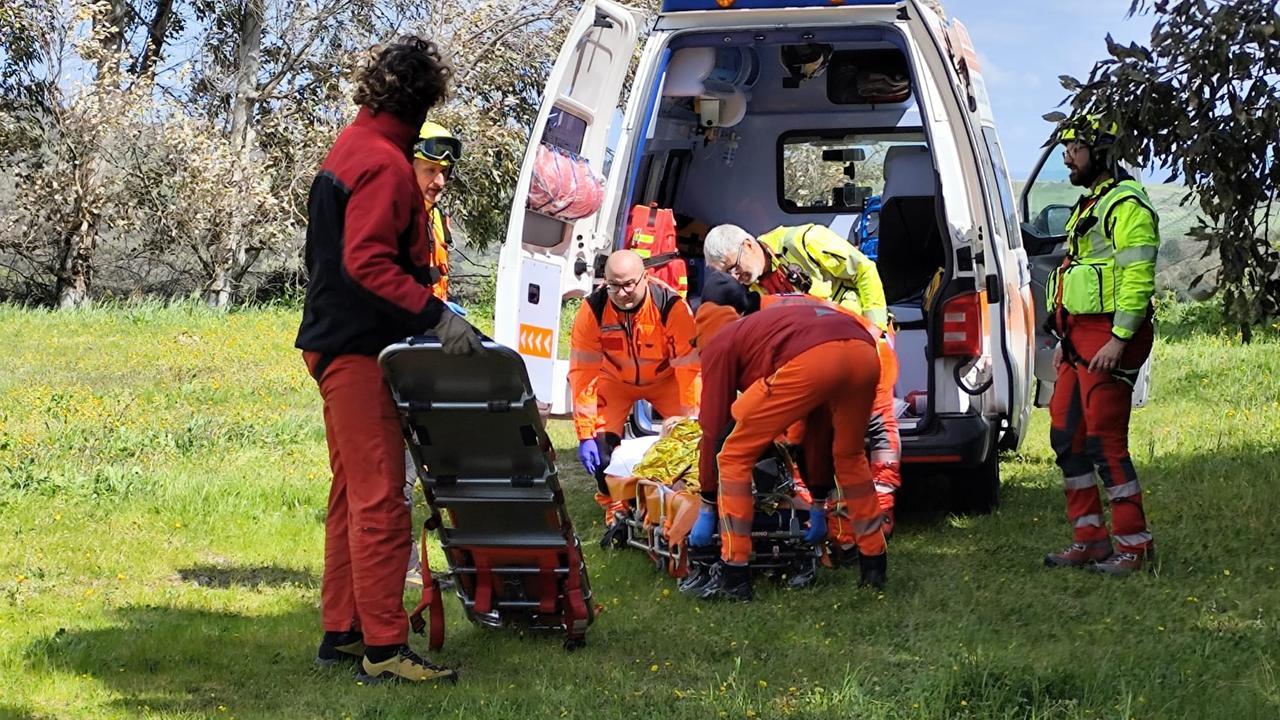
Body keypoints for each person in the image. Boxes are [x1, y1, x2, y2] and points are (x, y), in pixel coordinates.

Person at [296, 36, 479, 684]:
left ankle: (342, 629)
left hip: (333, 342)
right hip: (359, 351)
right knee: (380, 498)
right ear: (422, 99)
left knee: (351, 493)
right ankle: (382, 647)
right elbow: (367, 261)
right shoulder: (382, 161)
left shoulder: (351, 145)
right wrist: (437, 317)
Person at [702, 221, 903, 536]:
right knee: (803, 432)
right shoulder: (749, 290)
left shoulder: (806, 240)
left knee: (876, 424)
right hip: (814, 360)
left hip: (863, 339)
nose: (737, 278)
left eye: (735, 268)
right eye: (729, 276)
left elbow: (864, 270)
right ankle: (823, 517)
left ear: (749, 245)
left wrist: (875, 328)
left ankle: (881, 512)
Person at [687, 301, 887, 601]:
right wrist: (818, 502)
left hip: (814, 358)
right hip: (865, 352)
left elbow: (714, 428)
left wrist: (706, 502)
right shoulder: (765, 330)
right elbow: (817, 430)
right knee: (850, 454)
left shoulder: (718, 344)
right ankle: (874, 564)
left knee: (732, 456)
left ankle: (735, 573)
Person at [1042, 115, 1160, 576]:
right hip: (1078, 338)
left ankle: (1135, 547)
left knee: (1104, 441)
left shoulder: (1127, 204)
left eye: (1074, 148)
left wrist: (1118, 338)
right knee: (1065, 437)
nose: (1067, 156)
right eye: (1065, 148)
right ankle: (1089, 540)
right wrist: (1064, 337)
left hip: (1109, 336)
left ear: (1102, 151)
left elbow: (1137, 276)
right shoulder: (1091, 203)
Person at [569, 250, 700, 528]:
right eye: (614, 285)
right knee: (601, 449)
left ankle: (688, 500)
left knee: (691, 441)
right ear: (605, 282)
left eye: (630, 283)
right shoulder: (592, 309)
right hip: (615, 381)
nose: (623, 292)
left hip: (667, 380)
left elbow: (690, 369)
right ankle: (615, 505)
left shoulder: (670, 305)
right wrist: (584, 434)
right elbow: (583, 375)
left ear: (645, 277)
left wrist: (693, 417)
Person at [404, 119, 463, 589]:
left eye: (444, 172)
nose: (439, 181)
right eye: (429, 169)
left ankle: (424, 562)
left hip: (430, 351)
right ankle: (400, 567)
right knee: (398, 471)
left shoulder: (434, 216)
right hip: (400, 356)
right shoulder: (393, 216)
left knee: (433, 464)